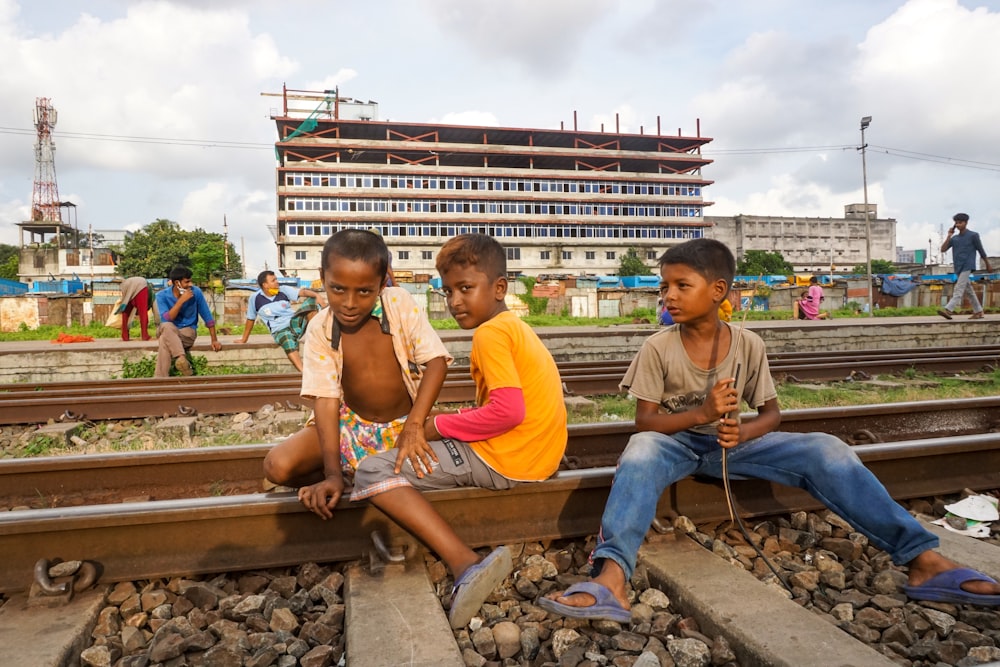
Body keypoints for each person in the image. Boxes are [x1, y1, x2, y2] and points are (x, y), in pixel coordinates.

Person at [539, 238, 1000, 623]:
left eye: (682, 285)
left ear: (718, 290)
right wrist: (700, 414)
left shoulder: (748, 344)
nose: (669, 297)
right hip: (673, 441)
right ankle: (612, 579)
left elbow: (771, 414)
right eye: (665, 288)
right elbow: (645, 421)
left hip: (732, 445)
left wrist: (745, 432)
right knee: (640, 450)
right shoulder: (658, 347)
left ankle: (923, 560)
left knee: (826, 448)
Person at [347, 233, 568, 629]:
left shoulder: (490, 334)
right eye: (448, 291)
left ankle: (464, 563)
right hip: (537, 454)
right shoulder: (514, 326)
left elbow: (509, 411)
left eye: (466, 288)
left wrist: (435, 426)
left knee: (372, 471)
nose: (455, 302)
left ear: (499, 288)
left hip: (506, 458)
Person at [263, 228, 452, 515]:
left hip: (405, 424)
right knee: (276, 466)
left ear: (381, 284)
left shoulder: (398, 303)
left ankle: (368, 473)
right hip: (349, 428)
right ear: (323, 277)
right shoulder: (320, 328)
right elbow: (325, 399)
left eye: (364, 291)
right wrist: (331, 475)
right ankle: (350, 475)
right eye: (337, 289)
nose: (349, 303)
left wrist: (415, 426)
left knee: (467, 442)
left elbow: (436, 362)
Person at [235, 271, 320, 372]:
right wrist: (244, 339)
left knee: (312, 301)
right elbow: (250, 319)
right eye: (273, 280)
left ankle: (316, 338)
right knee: (288, 340)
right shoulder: (255, 298)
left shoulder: (283, 290)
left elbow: (303, 292)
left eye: (276, 279)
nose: (277, 282)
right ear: (265, 285)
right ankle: (305, 372)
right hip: (280, 330)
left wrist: (317, 296)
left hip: (295, 323)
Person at [154, 266, 222, 377]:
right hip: (169, 329)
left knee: (164, 339)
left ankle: (160, 379)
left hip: (187, 332)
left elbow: (207, 317)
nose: (190, 284)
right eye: (187, 281)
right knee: (166, 326)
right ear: (177, 283)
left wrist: (214, 340)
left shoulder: (196, 292)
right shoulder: (161, 296)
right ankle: (181, 358)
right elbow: (167, 319)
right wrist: (181, 301)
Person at [939, 212, 991, 320]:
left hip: (968, 265)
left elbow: (981, 250)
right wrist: (949, 235)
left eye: (960, 223)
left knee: (959, 288)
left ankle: (948, 310)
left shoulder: (973, 235)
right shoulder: (954, 239)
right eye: (956, 223)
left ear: (966, 223)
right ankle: (979, 312)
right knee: (969, 290)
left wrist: (987, 264)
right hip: (958, 266)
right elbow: (943, 249)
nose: (958, 225)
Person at [118, 276, 153, 342]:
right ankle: (145, 335)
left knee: (125, 313)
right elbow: (155, 311)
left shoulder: (126, 282)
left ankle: (125, 336)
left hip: (126, 285)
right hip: (141, 286)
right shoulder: (152, 294)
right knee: (143, 314)